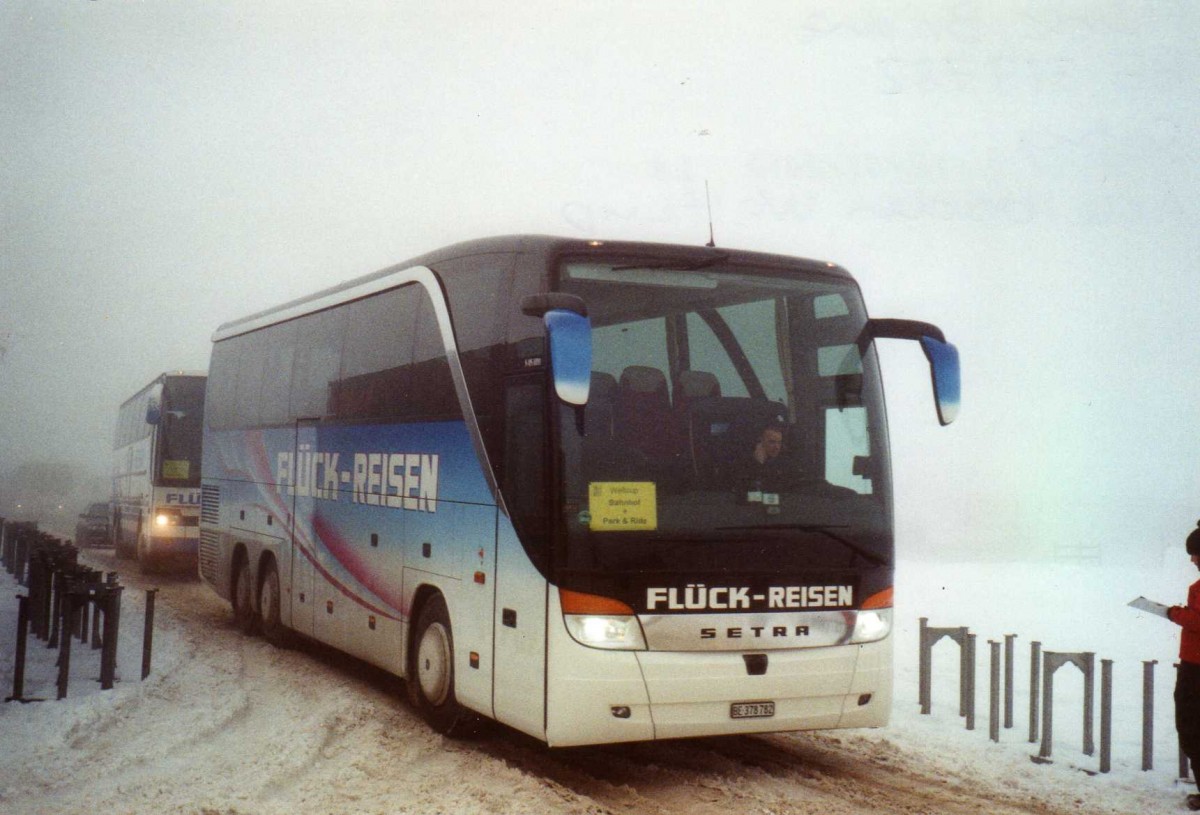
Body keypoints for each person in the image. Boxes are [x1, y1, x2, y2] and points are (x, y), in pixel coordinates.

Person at [1168, 521, 1200, 811]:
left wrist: (1174, 613)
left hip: (1195, 668)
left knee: (1190, 728)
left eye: (1195, 554)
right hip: (1192, 665)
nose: (1192, 560)